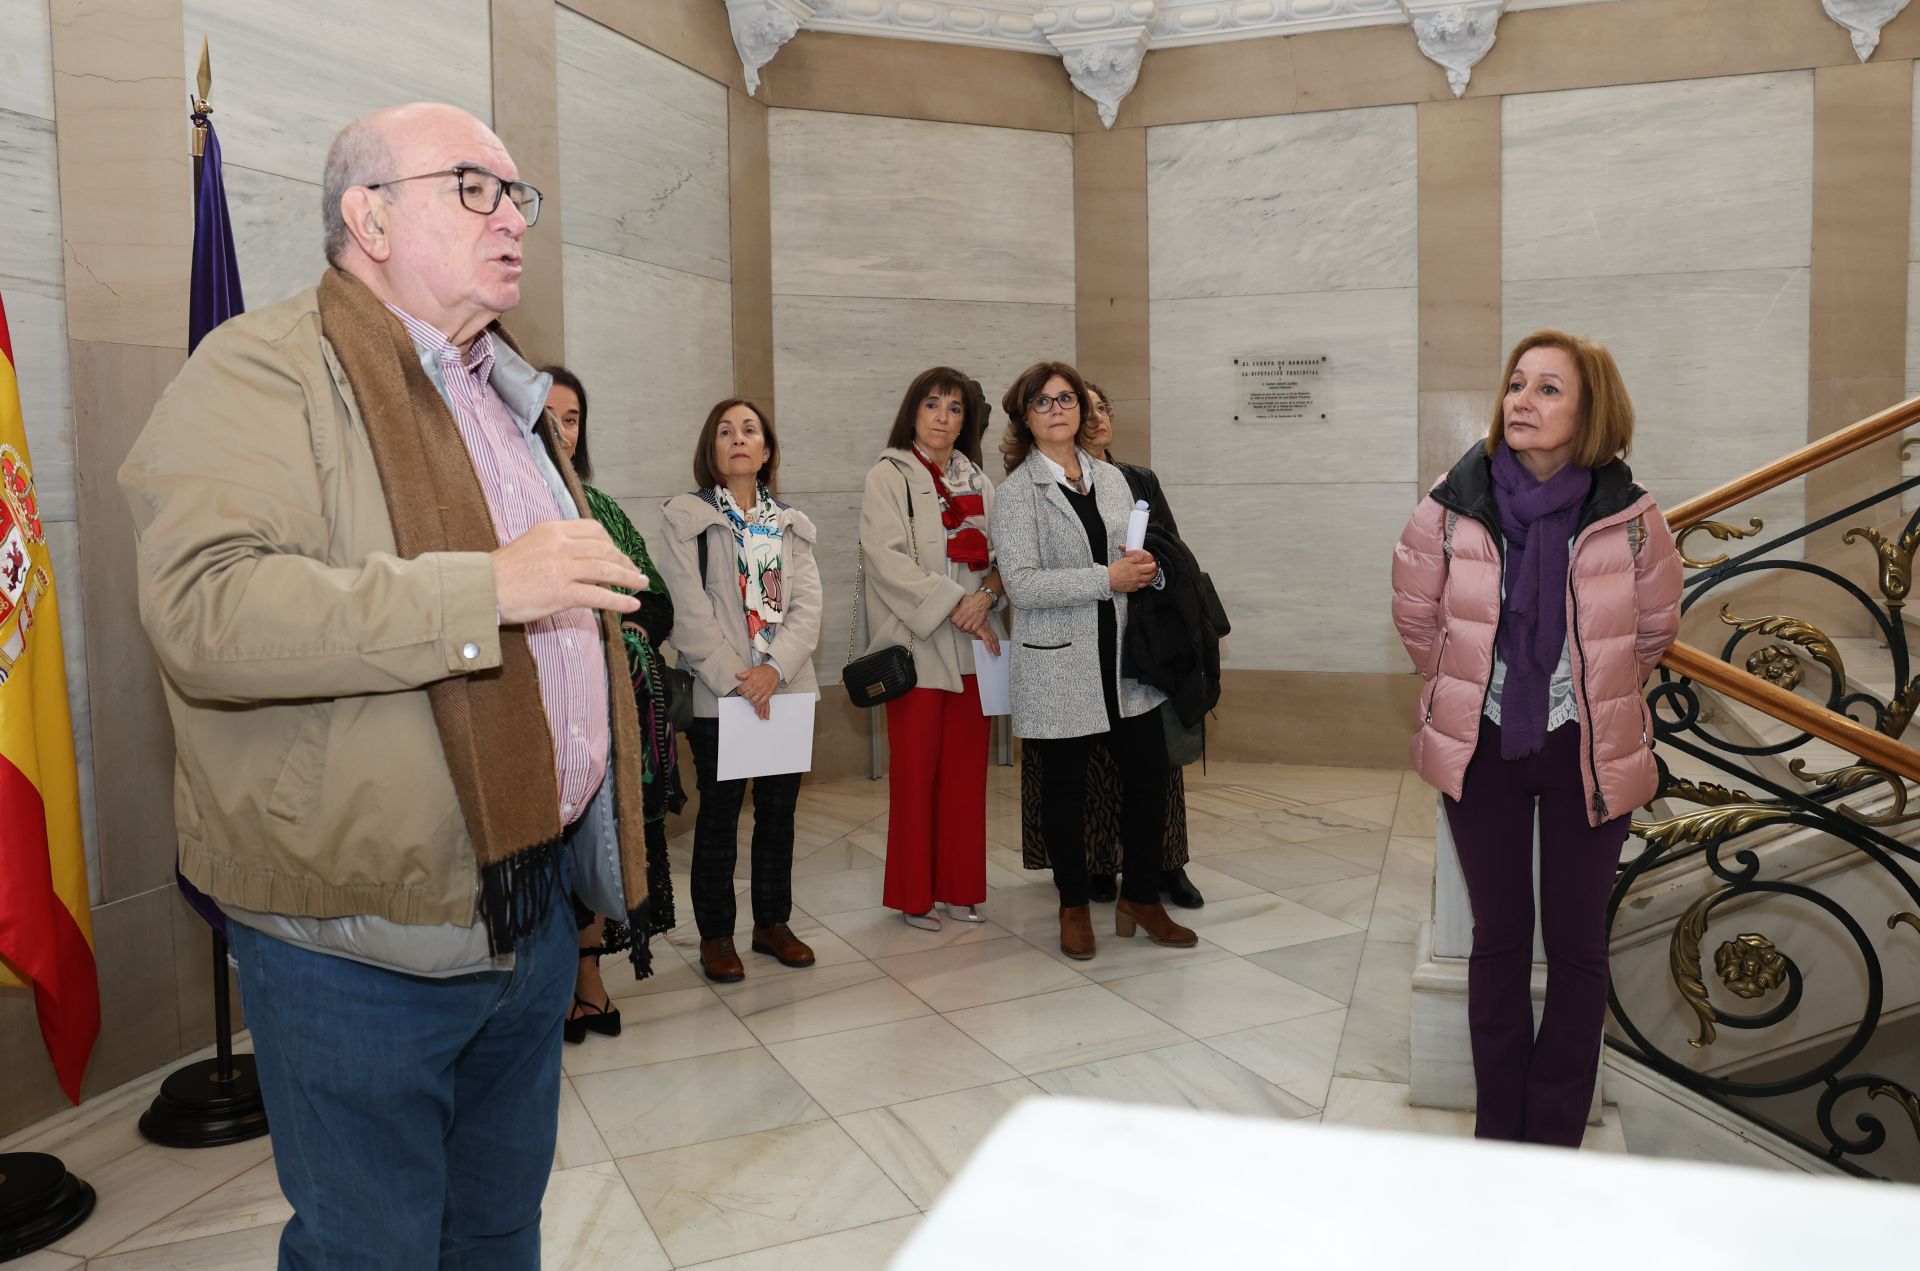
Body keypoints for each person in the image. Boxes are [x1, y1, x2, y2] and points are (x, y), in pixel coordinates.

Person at [119, 103, 653, 1267]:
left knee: (498, 1228)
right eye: (477, 187)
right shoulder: (260, 368)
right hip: (357, 938)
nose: (515, 218)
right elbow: (206, 611)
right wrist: (485, 592)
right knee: (373, 1250)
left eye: (521, 197)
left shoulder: (501, 392)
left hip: (528, 909)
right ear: (367, 215)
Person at [1391, 329, 1681, 1147]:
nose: (1523, 400)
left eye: (1549, 388)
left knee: (1578, 946)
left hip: (1586, 749)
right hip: (1483, 747)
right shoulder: (1454, 500)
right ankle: (1500, 1132)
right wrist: (1472, 684)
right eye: (1517, 383)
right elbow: (1417, 612)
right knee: (1499, 942)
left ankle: (1553, 1133)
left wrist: (1578, 693)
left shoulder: (1631, 515)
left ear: (1591, 409)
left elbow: (1654, 628)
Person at [988, 360, 1197, 961]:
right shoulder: (1014, 495)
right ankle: (1073, 903)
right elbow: (1023, 586)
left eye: (1067, 399)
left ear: (1082, 410)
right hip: (1058, 664)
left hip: (1125, 661)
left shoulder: (1111, 480)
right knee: (1066, 790)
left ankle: (1141, 898)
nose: (1058, 409)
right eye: (1043, 402)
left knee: (1148, 778)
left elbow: (1135, 554)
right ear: (1025, 418)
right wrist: (1108, 578)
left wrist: (1146, 572)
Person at [655, 400, 823, 983]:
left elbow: (807, 608)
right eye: (725, 432)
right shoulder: (687, 518)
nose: (738, 439)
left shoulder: (790, 522)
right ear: (712, 449)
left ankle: (772, 923)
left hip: (786, 690)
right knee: (720, 818)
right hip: (721, 696)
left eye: (750, 430)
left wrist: (774, 669)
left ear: (767, 449)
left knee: (779, 815)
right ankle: (717, 936)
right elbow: (688, 611)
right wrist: (740, 679)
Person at [541, 366, 684, 1043]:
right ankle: (543, 992)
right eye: (548, 415)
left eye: (572, 419)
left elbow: (655, 599)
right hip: (529, 725)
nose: (561, 430)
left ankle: (590, 982)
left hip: (604, 721)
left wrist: (623, 629)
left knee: (598, 847)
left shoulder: (601, 508)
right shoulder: (493, 504)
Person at [858, 366, 1005, 932]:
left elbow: (1001, 559)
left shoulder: (980, 481)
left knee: (968, 776)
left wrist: (986, 596)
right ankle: (915, 894)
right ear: (913, 412)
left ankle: (960, 887)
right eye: (933, 405)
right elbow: (886, 559)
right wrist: (957, 604)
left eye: (955, 408)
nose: (943, 417)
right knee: (916, 775)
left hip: (975, 647)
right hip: (917, 647)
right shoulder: (887, 475)